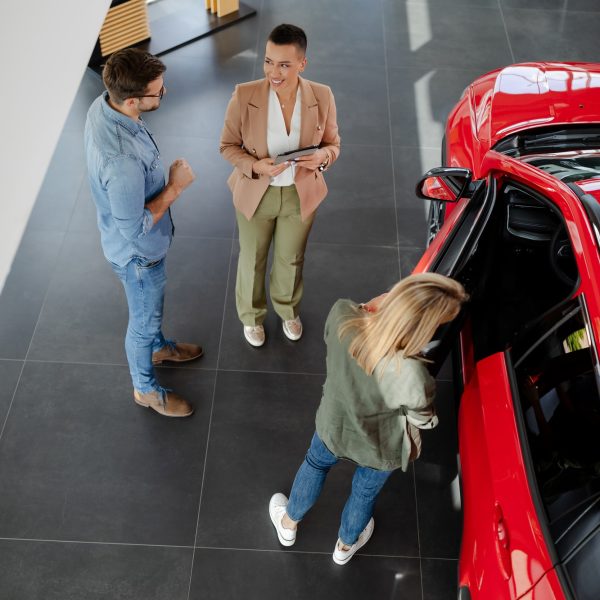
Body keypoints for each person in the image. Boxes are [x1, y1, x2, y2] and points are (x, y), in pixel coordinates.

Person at [268, 273, 468, 564]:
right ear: (422, 330)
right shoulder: (412, 374)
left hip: (334, 425)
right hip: (381, 446)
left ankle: (288, 524)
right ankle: (345, 546)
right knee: (363, 493)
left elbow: (355, 320)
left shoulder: (341, 315)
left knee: (315, 464)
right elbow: (424, 419)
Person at [84, 48, 202, 418]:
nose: (164, 94)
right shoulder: (121, 162)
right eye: (158, 92)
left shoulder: (103, 104)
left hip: (133, 242)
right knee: (143, 320)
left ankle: (158, 347)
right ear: (133, 100)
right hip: (138, 255)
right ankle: (145, 389)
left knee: (150, 314)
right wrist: (175, 187)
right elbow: (134, 228)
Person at [220, 23, 340, 347]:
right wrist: (255, 165)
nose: (274, 72)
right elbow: (227, 146)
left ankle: (287, 309)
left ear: (303, 64)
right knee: (253, 258)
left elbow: (333, 143)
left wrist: (324, 158)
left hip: (300, 195)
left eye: (284, 64)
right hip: (257, 193)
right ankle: (252, 316)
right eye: (268, 61)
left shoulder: (322, 95)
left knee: (291, 258)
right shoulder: (245, 95)